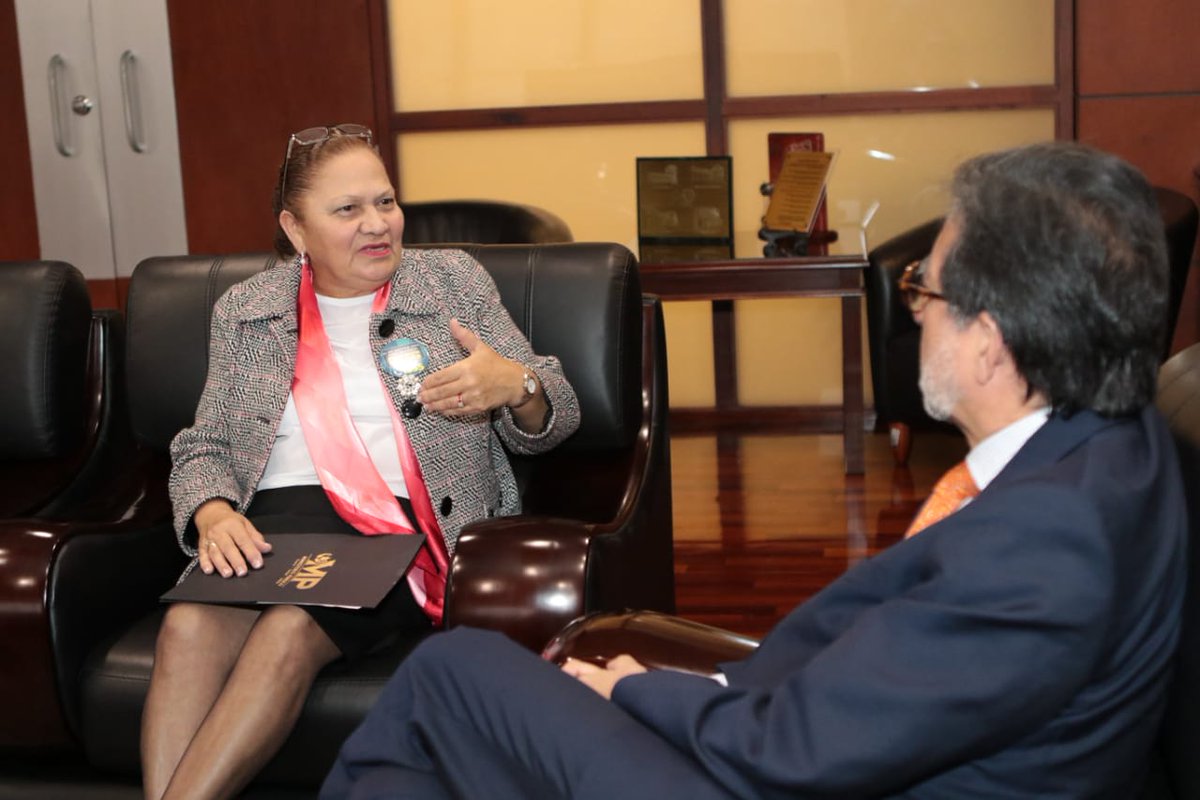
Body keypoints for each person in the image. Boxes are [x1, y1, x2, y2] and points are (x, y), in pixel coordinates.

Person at [321, 141, 1186, 799]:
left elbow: (802, 752)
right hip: (798, 724)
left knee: (448, 675)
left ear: (991, 344)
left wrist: (641, 693)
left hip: (775, 772)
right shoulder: (1110, 444)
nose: (911, 312)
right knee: (451, 744)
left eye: (925, 288)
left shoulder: (1045, 546)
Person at [140, 123, 580, 800]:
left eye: (386, 202)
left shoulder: (451, 280)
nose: (377, 225)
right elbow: (202, 444)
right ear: (296, 228)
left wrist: (514, 386)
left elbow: (557, 413)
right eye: (348, 210)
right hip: (272, 524)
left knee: (290, 630)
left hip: (402, 527)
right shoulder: (246, 310)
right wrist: (211, 508)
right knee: (187, 625)